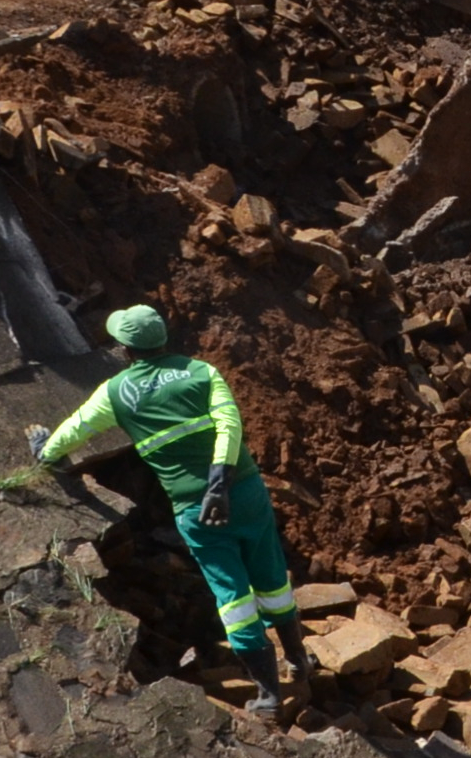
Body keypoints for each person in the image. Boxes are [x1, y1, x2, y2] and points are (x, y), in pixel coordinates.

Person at [29, 306, 307, 718]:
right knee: (270, 575)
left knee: (232, 595)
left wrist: (45, 450)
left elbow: (78, 428)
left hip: (196, 509)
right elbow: (230, 425)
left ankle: (268, 693)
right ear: (163, 339)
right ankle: (300, 661)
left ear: (125, 349)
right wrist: (221, 485)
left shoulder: (116, 391)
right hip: (244, 491)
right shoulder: (201, 371)